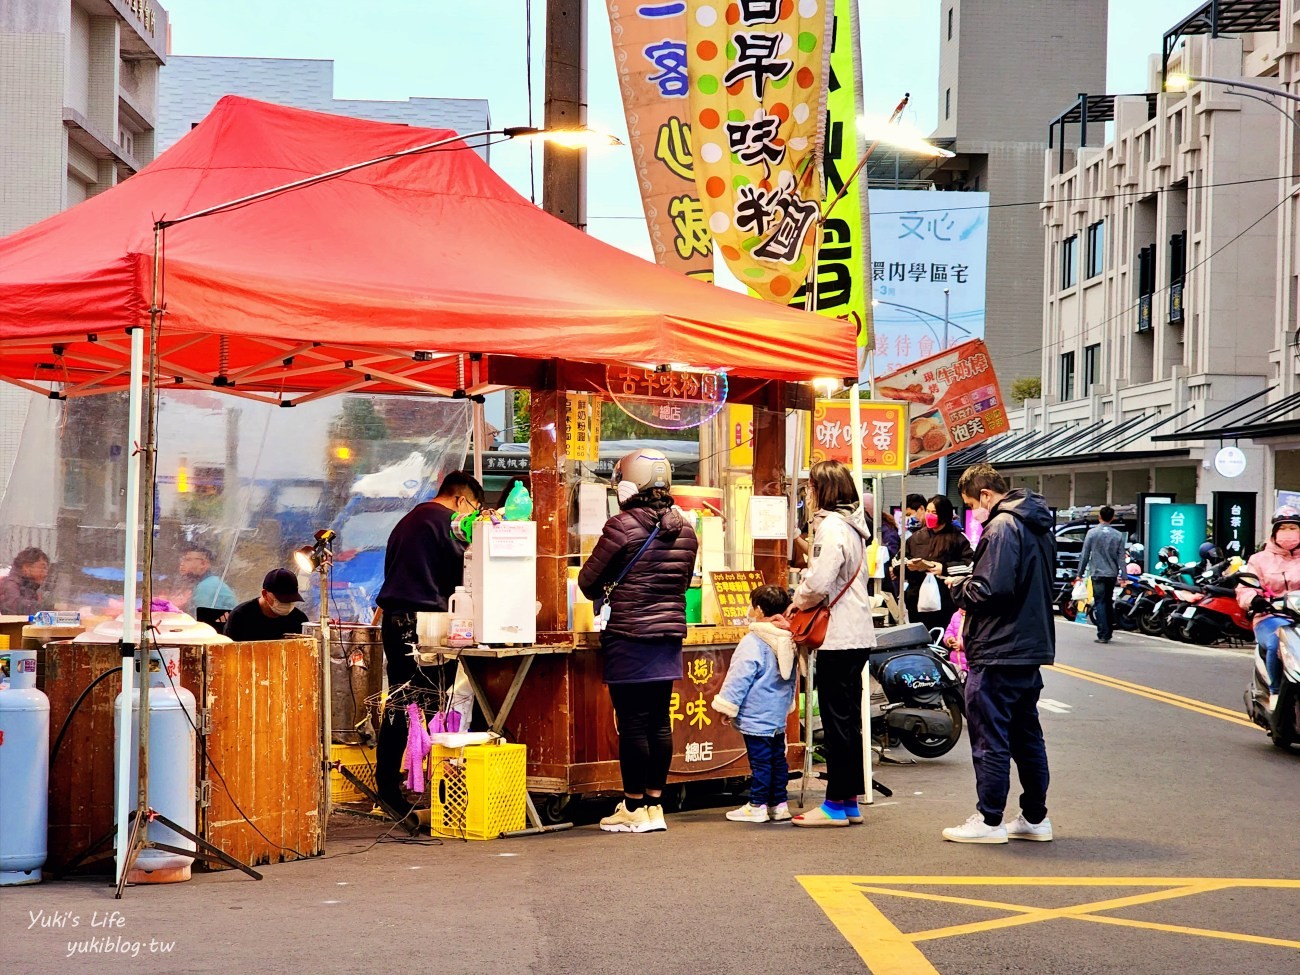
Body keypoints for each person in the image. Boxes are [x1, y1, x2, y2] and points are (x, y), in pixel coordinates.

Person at [579, 449, 698, 834]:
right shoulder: (686, 529)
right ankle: (653, 806)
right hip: (667, 635)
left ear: (628, 484)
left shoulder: (621, 526)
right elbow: (679, 584)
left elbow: (587, 583)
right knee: (658, 721)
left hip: (629, 634)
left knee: (632, 723)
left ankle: (632, 807)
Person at [945, 463, 1056, 844]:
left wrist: (958, 588)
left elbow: (989, 590)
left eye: (971, 504)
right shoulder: (1037, 525)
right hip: (1028, 647)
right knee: (1026, 736)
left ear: (987, 496)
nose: (972, 512)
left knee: (990, 736)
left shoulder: (1002, 527)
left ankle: (989, 819)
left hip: (998, 648)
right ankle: (1034, 817)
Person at [373, 471, 485, 819]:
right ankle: (399, 790)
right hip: (423, 626)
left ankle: (394, 786)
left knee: (405, 702)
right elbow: (468, 572)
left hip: (396, 621)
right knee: (422, 705)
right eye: (472, 510)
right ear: (461, 499)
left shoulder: (408, 520)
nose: (468, 519)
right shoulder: (448, 522)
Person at [786, 460, 875, 827]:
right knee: (848, 720)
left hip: (838, 635)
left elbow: (820, 582)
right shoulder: (854, 528)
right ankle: (848, 800)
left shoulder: (831, 528)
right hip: (857, 633)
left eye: (810, 488)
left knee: (838, 721)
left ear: (822, 490)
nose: (807, 494)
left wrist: (798, 598)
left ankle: (835, 805)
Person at [711, 585, 797, 824]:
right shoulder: (788, 637)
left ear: (758, 609)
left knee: (760, 762)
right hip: (777, 713)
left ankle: (757, 804)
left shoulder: (754, 640)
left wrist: (727, 706)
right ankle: (779, 804)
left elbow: (740, 676)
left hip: (756, 713)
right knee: (777, 759)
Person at [1237, 507, 1300, 712]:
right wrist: (1254, 600)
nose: (1289, 532)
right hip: (1271, 616)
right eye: (1284, 528)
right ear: (1274, 532)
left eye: (1293, 527)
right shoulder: (1259, 559)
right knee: (1277, 642)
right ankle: (1275, 691)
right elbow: (1245, 588)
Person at [900, 494, 974, 635]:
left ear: (944, 513)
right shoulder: (916, 537)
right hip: (916, 601)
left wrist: (943, 568)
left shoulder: (958, 537)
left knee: (942, 637)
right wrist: (908, 565)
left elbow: (970, 565)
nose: (929, 515)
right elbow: (898, 561)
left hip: (946, 602)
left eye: (934, 512)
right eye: (927, 511)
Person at [1076, 505, 1126, 644]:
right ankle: (1108, 632)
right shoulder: (1118, 535)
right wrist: (1124, 576)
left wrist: (1079, 573)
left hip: (1097, 572)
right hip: (1111, 573)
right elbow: (1121, 557)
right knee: (1108, 601)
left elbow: (1085, 555)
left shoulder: (1092, 533)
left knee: (1100, 602)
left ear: (1100, 517)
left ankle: (1103, 634)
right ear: (1113, 518)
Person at [223, 568, 310, 641]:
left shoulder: (299, 619)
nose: (287, 604)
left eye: (291, 600)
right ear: (265, 594)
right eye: (282, 600)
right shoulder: (240, 616)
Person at [177, 545, 237, 618]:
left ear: (203, 564)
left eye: (188, 559)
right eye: (182, 560)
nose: (182, 564)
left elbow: (204, 621)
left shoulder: (206, 586)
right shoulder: (208, 582)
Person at [0, 547, 51, 616]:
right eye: (42, 568)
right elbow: (15, 607)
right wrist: (50, 607)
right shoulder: (9, 584)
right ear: (26, 567)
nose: (45, 574)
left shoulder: (31, 588)